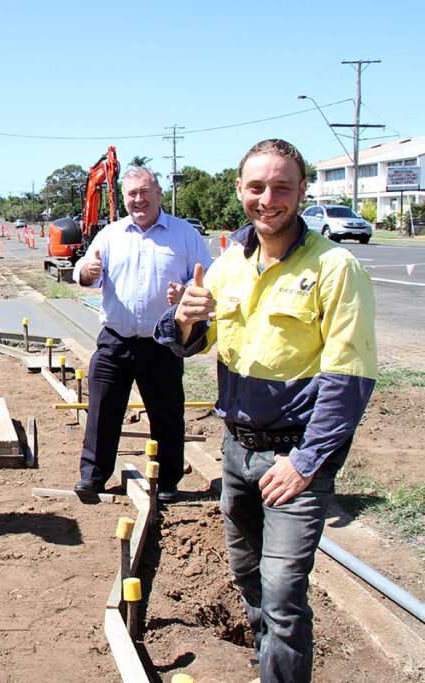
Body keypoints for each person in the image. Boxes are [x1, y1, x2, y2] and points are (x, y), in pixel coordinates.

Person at [156, 139, 376, 682]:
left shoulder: (335, 268)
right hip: (237, 454)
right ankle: (266, 666)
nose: (268, 199)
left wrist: (304, 462)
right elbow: (191, 343)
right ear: (240, 191)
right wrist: (185, 320)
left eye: (282, 187)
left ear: (303, 191)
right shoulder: (229, 264)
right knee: (250, 578)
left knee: (282, 593)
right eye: (257, 187)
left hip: (296, 461)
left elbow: (350, 381)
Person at [72, 165, 212, 502]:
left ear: (158, 194)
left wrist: (186, 294)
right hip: (115, 340)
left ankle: (166, 481)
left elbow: (207, 278)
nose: (138, 199)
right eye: (132, 194)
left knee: (166, 412)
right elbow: (83, 271)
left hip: (162, 341)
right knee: (102, 410)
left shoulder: (184, 234)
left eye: (144, 192)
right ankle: (93, 476)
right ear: (124, 198)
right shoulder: (110, 235)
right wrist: (87, 272)